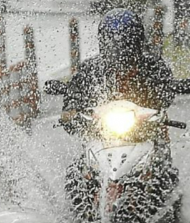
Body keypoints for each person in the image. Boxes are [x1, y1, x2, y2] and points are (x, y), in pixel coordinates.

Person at [60, 8, 176, 136]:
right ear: (103, 40)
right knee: (84, 153)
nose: (119, 47)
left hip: (146, 132)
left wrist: (170, 89)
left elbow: (166, 94)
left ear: (137, 40)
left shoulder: (153, 66)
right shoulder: (91, 69)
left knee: (161, 146)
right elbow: (74, 96)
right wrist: (71, 112)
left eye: (126, 41)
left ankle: (162, 153)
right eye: (113, 41)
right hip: (100, 135)